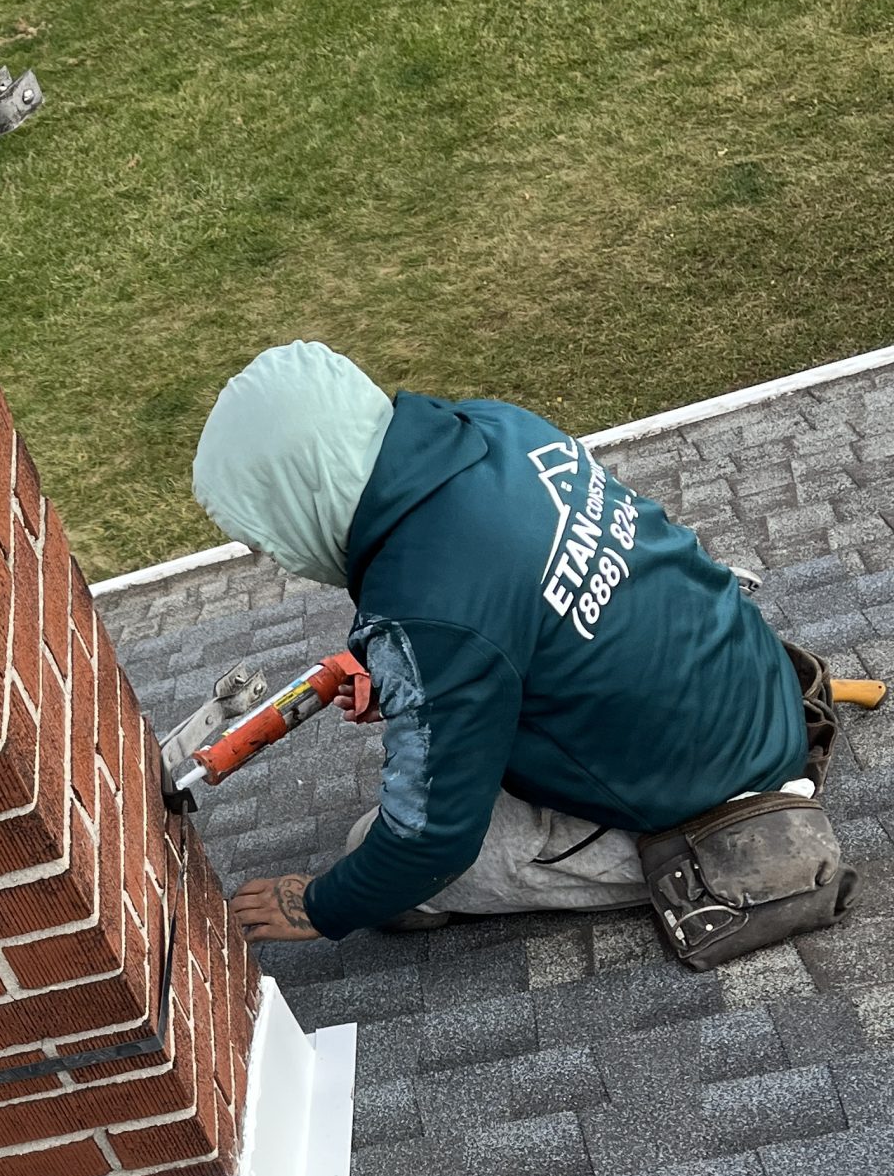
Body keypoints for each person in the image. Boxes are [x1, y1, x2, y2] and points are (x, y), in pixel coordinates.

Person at [191, 341, 822, 944]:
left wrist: (322, 905)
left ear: (301, 489)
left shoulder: (428, 605)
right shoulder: (495, 428)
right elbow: (521, 604)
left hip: (715, 796)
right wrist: (414, 669)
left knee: (373, 857)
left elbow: (429, 840)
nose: (275, 555)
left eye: (264, 531)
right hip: (755, 687)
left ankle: (700, 843)